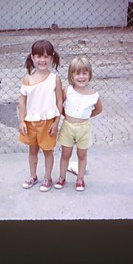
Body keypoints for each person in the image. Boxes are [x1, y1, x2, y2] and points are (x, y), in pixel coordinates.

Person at [18, 39, 63, 192]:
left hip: (48, 122)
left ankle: (48, 178)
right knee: (32, 150)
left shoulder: (55, 79)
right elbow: (22, 102)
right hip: (31, 122)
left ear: (51, 58)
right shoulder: (27, 79)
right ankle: (33, 176)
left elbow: (59, 102)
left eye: (46, 56)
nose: (42, 60)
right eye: (38, 56)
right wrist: (22, 121)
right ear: (32, 57)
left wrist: (56, 122)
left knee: (48, 151)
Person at [55, 56, 103, 191]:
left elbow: (99, 109)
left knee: (82, 155)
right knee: (65, 154)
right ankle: (61, 177)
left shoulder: (94, 95)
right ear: (71, 75)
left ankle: (80, 179)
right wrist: (66, 115)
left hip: (84, 129)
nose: (81, 77)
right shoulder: (68, 91)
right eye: (77, 73)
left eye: (84, 73)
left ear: (89, 74)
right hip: (68, 127)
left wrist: (86, 116)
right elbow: (59, 104)